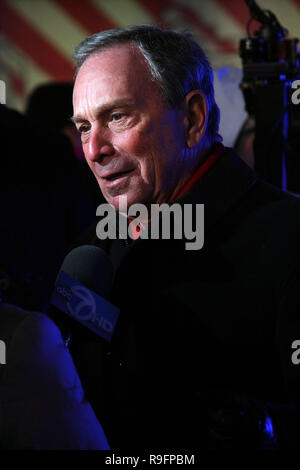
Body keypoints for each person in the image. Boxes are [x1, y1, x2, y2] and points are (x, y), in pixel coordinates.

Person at [70, 24, 300, 449]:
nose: (93, 149)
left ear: (192, 119)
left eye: (117, 116)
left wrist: (257, 428)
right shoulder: (90, 251)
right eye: (84, 127)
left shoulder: (289, 237)